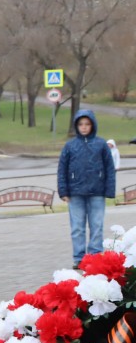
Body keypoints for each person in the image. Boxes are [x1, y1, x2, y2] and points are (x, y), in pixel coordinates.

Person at [57, 109, 116, 269]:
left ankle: (95, 256)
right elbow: (62, 169)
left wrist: (109, 190)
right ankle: (79, 258)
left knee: (97, 226)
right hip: (75, 193)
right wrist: (63, 191)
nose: (84, 127)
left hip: (97, 192)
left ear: (93, 125)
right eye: (81, 124)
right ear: (76, 126)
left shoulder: (101, 145)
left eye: (87, 124)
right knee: (77, 227)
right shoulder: (70, 146)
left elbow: (109, 168)